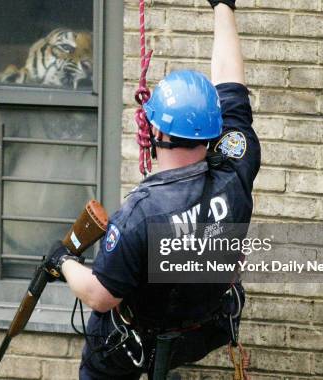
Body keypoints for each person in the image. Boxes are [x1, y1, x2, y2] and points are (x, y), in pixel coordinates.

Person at [43, 0, 260, 378]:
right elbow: (231, 81)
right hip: (202, 328)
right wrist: (223, 6)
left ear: (157, 133)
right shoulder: (236, 166)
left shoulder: (140, 213)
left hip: (136, 343)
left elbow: (99, 295)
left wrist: (62, 262)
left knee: (98, 356)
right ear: (212, 126)